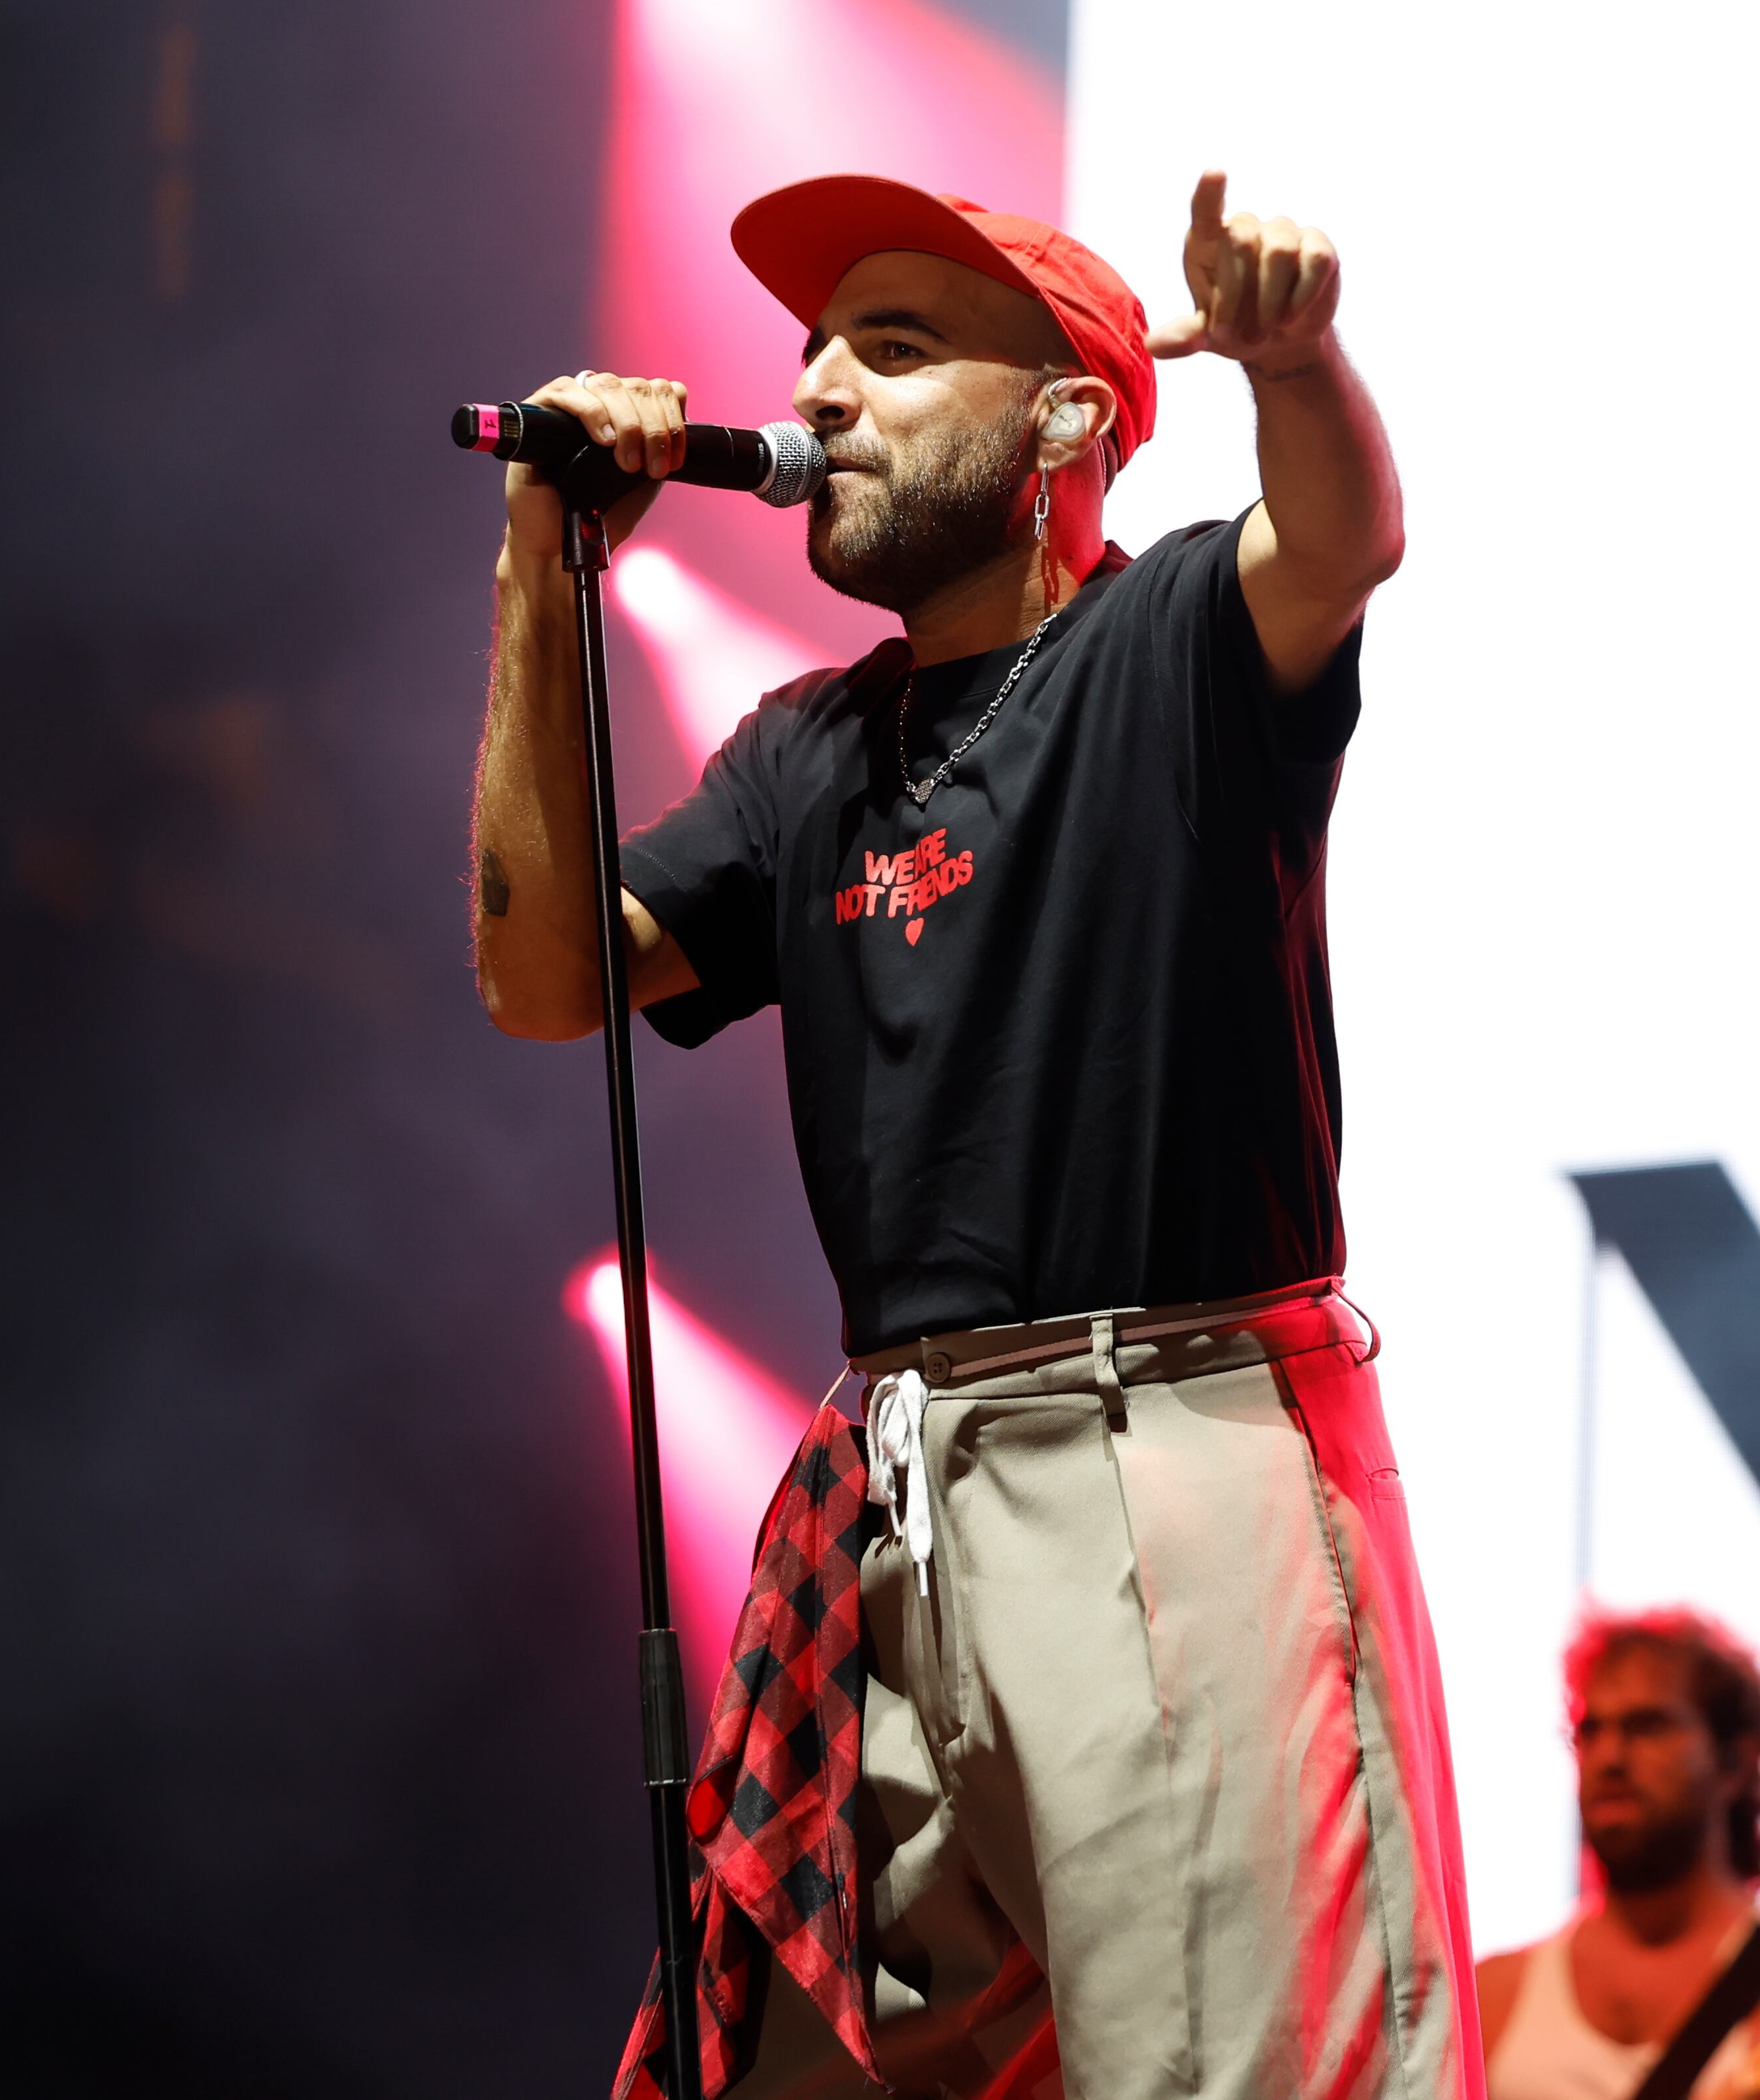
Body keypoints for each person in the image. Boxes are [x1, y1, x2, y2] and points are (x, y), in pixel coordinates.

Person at [469, 170, 1473, 2100]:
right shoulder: (801, 756)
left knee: (1229, 2063)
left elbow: (1341, 538)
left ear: (1072, 418)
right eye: (816, 350)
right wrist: (539, 557)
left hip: (1161, 1446)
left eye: (899, 348)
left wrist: (1291, 359)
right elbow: (542, 971)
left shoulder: (1166, 638)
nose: (823, 388)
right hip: (893, 1484)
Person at [1476, 1611, 1760, 2100]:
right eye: (1591, 1730)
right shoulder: (1493, 1993)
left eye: (1647, 1726)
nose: (1610, 1757)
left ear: (1735, 1760)